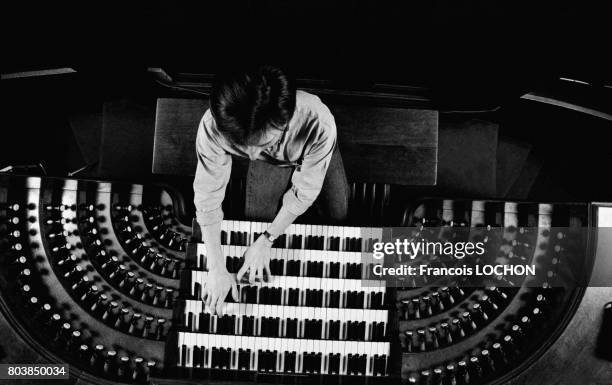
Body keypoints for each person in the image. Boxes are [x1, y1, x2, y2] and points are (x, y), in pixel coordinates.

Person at [193, 65, 349, 315]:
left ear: (284, 122)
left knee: (338, 214)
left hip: (313, 150)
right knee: (256, 216)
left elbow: (304, 192)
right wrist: (216, 268)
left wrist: (267, 239)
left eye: (264, 143)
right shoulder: (213, 127)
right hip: (275, 161)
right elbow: (207, 197)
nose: (253, 155)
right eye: (243, 146)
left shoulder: (319, 122)